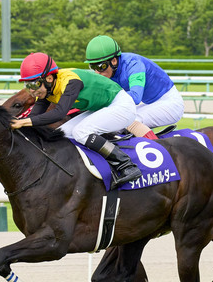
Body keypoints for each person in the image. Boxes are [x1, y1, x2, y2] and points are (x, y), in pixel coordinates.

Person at [11, 52, 142, 187]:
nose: (32, 91)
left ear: (49, 78)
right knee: (62, 134)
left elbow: (59, 113)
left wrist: (23, 122)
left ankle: (126, 165)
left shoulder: (70, 82)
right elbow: (33, 117)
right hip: (102, 108)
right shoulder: (46, 90)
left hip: (122, 106)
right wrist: (12, 123)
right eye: (28, 86)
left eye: (34, 85)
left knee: (81, 132)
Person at [85, 35, 184, 140]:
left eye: (101, 66)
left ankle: (157, 146)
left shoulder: (134, 64)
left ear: (113, 61)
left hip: (171, 104)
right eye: (93, 67)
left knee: (127, 119)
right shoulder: (109, 72)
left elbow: (136, 97)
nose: (97, 72)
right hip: (150, 105)